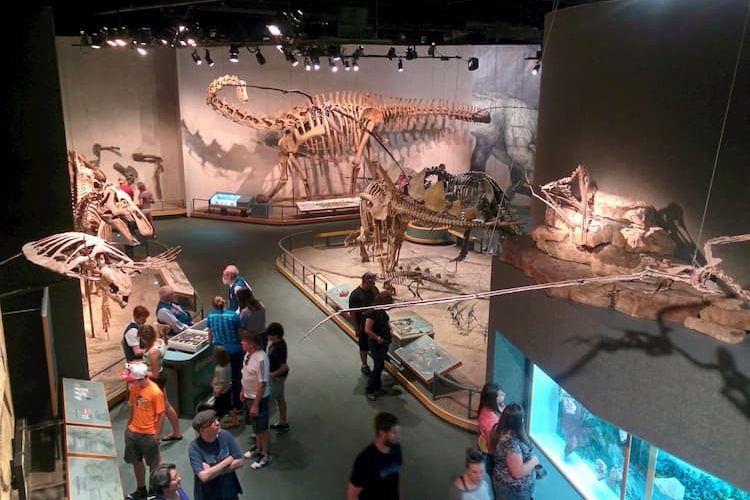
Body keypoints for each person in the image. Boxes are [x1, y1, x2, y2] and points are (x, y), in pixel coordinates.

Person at [121, 362, 165, 500]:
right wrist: (129, 426)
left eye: (135, 380)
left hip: (149, 434)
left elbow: (161, 414)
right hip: (133, 432)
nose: (133, 383)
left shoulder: (155, 392)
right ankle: (141, 490)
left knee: (154, 464)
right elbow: (134, 406)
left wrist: (157, 434)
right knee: (136, 461)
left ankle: (153, 491)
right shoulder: (135, 387)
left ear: (143, 378)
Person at [139, 325, 182, 441]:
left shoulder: (153, 353)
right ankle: (177, 432)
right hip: (161, 374)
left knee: (160, 409)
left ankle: (156, 437)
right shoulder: (160, 341)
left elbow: (155, 374)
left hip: (155, 381)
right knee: (166, 406)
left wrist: (139, 371)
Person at [188, 409, 244, 500]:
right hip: (208, 494)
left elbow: (239, 462)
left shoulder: (225, 435)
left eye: (216, 420)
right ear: (202, 430)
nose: (217, 423)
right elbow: (204, 476)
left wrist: (212, 470)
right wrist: (228, 460)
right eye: (212, 423)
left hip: (229, 490)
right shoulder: (194, 448)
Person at [347, 412, 402, 500]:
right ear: (382, 433)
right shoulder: (366, 459)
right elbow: (352, 495)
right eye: (394, 433)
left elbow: (396, 478)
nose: (397, 436)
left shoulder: (396, 449)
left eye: (398, 432)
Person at [206, 295, 243, 426]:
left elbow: (210, 335)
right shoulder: (233, 315)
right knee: (236, 378)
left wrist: (212, 345)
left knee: (222, 378)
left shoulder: (210, 316)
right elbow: (239, 333)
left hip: (220, 351)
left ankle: (226, 407)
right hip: (235, 350)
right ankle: (238, 405)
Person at [491, 404, 539, 500]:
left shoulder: (497, 430)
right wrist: (534, 461)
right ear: (519, 422)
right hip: (514, 491)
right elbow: (517, 473)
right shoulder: (511, 444)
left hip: (502, 483)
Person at [240, 331, 272, 469]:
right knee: (255, 426)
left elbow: (262, 382)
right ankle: (258, 447)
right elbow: (246, 373)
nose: (241, 342)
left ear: (252, 344)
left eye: (244, 341)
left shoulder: (262, 359)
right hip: (248, 395)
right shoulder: (248, 354)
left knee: (262, 427)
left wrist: (256, 404)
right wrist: (243, 390)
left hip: (258, 399)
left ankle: (265, 454)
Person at [363, 291, 393, 401]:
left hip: (384, 341)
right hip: (376, 343)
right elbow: (367, 330)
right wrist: (378, 338)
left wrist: (389, 329)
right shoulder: (373, 312)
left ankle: (377, 386)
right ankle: (370, 389)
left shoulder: (381, 311)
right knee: (378, 366)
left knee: (379, 366)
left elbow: (385, 322)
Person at [348, 272, 379, 375]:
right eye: (372, 282)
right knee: (364, 347)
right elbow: (352, 313)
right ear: (366, 282)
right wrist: (356, 328)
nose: (374, 284)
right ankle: (364, 365)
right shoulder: (355, 295)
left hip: (375, 323)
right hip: (363, 325)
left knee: (377, 343)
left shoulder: (374, 290)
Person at [266, 322, 290, 431]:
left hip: (276, 379)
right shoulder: (278, 344)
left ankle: (262, 429)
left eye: (270, 335)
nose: (269, 337)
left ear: (276, 335)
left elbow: (284, 367)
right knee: (280, 398)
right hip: (278, 378)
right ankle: (283, 421)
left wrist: (272, 374)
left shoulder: (278, 349)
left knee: (268, 402)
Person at [478, 383, 506, 471]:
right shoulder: (489, 421)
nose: (504, 394)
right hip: (492, 447)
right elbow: (493, 442)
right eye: (500, 395)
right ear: (492, 399)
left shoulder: (497, 406)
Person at [212, 345, 236, 426]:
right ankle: (234, 420)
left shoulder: (220, 368)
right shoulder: (227, 364)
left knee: (219, 408)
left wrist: (218, 391)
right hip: (227, 389)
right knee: (228, 407)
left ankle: (216, 423)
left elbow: (222, 382)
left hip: (222, 391)